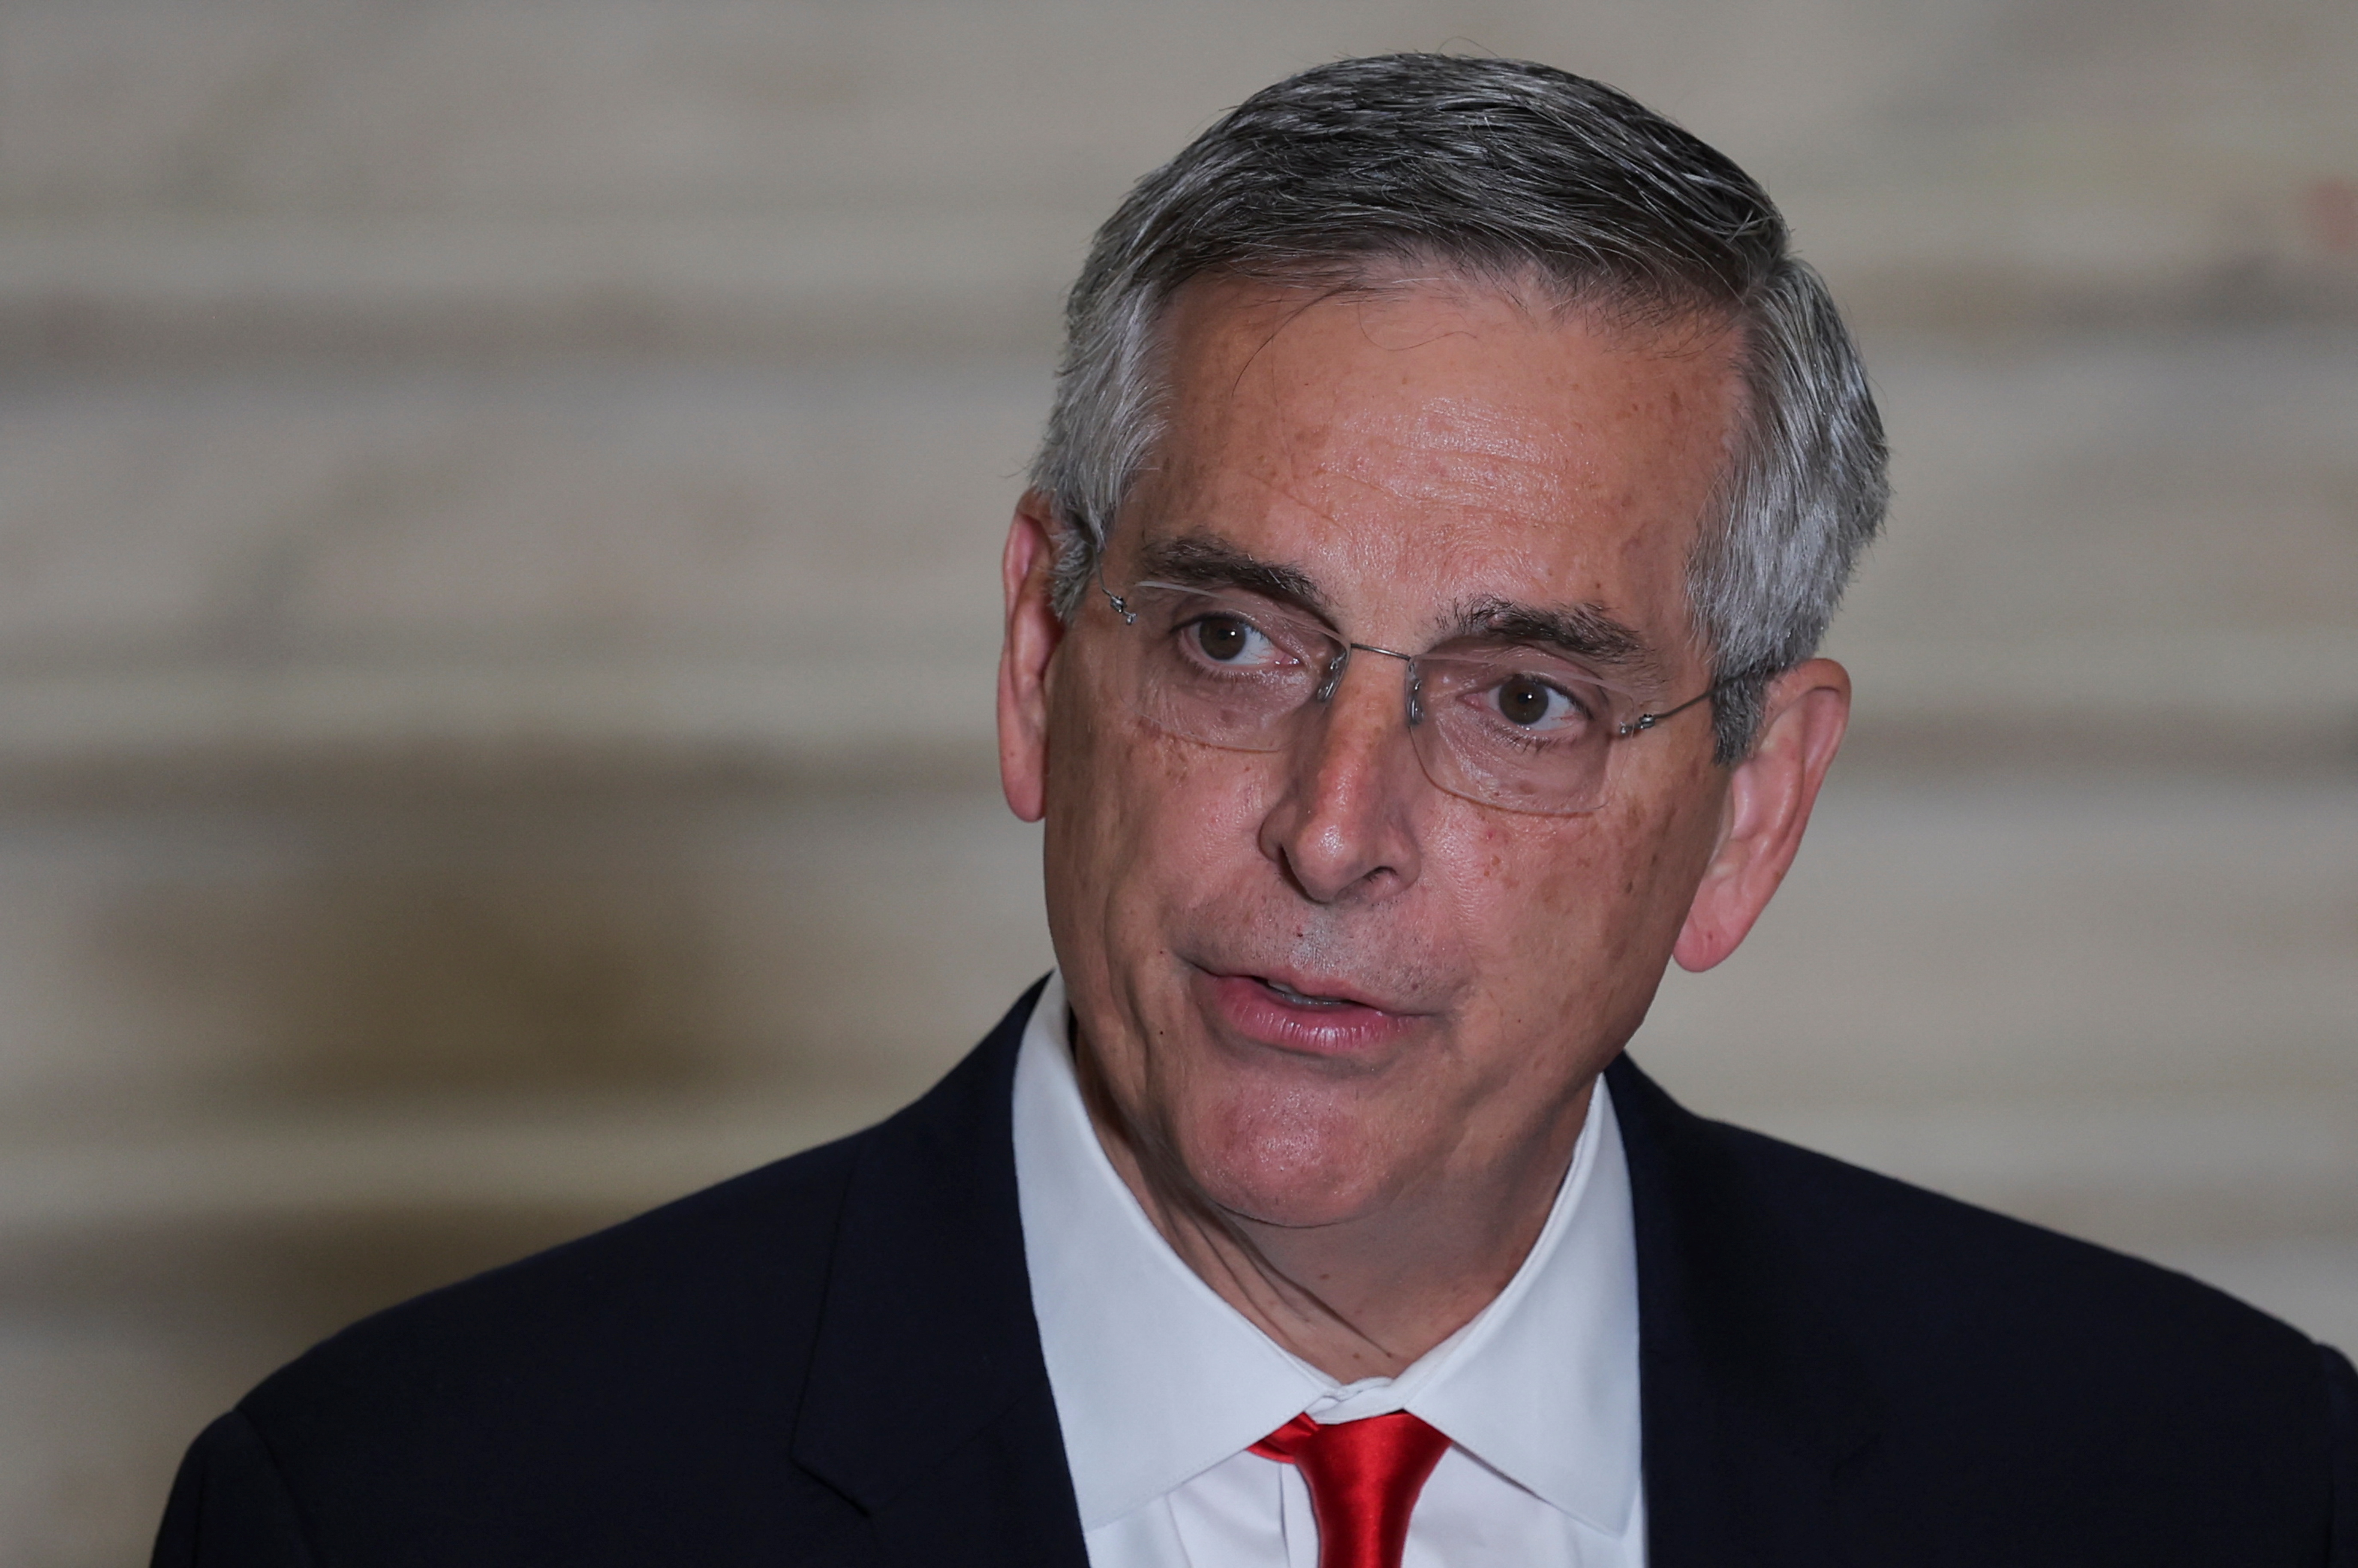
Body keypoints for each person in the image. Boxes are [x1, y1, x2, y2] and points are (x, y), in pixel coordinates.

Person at [153, 53, 2353, 1568]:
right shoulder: (408, 1512)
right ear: (1043, 662)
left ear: (1751, 807)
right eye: (1232, 640)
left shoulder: (2222, 1488)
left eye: (1522, 699)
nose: (1333, 827)